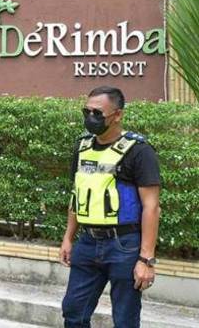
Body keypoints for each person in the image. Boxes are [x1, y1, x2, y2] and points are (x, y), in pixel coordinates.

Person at [60, 86, 161, 328]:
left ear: (117, 115)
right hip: (87, 242)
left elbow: (151, 207)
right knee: (73, 313)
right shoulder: (82, 147)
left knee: (125, 320)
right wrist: (68, 238)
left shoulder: (138, 151)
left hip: (124, 245)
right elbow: (78, 194)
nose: (90, 118)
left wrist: (146, 259)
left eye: (97, 113)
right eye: (87, 111)